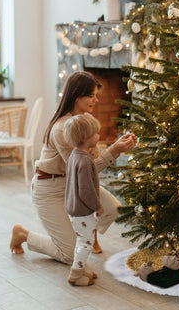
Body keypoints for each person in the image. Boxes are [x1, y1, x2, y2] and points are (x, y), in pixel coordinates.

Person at [10, 70, 136, 265]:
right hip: (50, 189)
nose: (96, 100)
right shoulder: (63, 128)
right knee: (70, 255)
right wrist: (114, 150)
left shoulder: (84, 122)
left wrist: (115, 148)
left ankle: (88, 230)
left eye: (96, 95)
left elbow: (88, 167)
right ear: (77, 96)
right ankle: (24, 235)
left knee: (113, 209)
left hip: (72, 184)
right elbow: (82, 170)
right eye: (91, 96)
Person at [63, 113, 102, 286]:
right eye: (96, 133)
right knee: (86, 242)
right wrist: (97, 206)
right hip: (83, 209)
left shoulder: (74, 155)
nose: (99, 136)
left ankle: (81, 267)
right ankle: (75, 275)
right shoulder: (85, 161)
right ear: (87, 138)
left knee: (81, 240)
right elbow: (86, 190)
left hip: (72, 207)